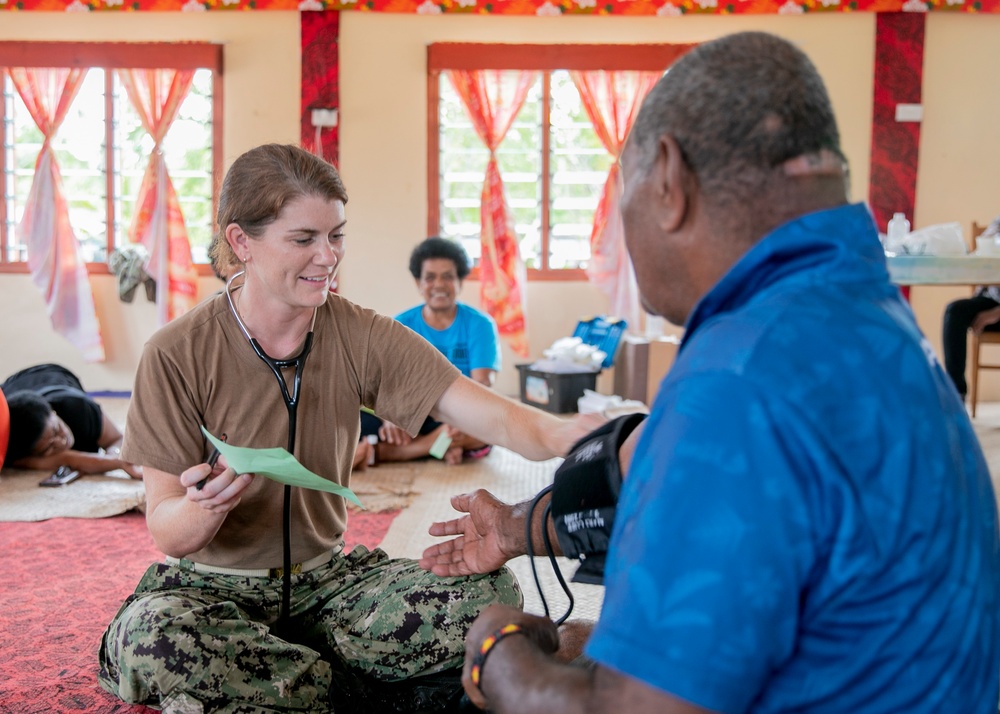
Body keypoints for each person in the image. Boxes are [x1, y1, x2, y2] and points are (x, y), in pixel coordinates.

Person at [419, 32, 1000, 714]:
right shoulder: (870, 324)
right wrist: (521, 528)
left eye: (621, 191)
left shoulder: (738, 381)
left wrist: (500, 652)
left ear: (666, 178)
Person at [97, 143, 602, 713]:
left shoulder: (360, 334)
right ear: (241, 242)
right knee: (155, 639)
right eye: (304, 239)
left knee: (487, 594)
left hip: (331, 588)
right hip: (213, 594)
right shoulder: (175, 353)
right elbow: (167, 529)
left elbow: (492, 413)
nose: (327, 256)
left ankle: (283, 691)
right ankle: (359, 692)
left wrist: (572, 437)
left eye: (336, 235)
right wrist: (205, 507)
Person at [360, 236, 500, 466]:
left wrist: (454, 419)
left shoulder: (480, 324)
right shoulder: (401, 325)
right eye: (430, 277)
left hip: (457, 414)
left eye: (448, 276)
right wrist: (392, 416)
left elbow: (482, 385)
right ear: (418, 283)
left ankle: (400, 452)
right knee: (352, 421)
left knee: (490, 423)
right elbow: (386, 385)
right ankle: (438, 446)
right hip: (410, 413)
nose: (439, 285)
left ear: (460, 281)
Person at [1, 363, 141, 478]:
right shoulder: (12, 448)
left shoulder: (79, 408)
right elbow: (64, 459)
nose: (62, 442)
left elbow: (116, 439)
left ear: (53, 412)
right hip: (11, 389)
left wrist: (113, 457)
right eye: (49, 448)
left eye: (57, 430)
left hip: (49, 373)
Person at [942, 214, 1000, 401]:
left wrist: (996, 314)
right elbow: (983, 249)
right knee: (955, 311)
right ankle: (956, 395)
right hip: (991, 298)